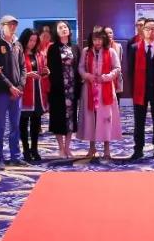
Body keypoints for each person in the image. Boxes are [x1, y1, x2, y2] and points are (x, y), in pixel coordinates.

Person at [0, 15, 29, 169]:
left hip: (17, 92)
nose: (13, 27)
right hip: (1, 91)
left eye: (15, 25)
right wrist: (10, 87)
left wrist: (20, 86)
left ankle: (15, 156)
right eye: (9, 24)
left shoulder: (17, 44)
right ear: (2, 26)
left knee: (15, 125)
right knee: (0, 125)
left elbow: (23, 67)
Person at [77, 29, 122, 161]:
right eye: (95, 39)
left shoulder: (111, 51)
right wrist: (87, 75)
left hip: (105, 88)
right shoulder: (86, 51)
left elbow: (117, 68)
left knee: (106, 118)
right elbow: (80, 67)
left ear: (104, 39)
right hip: (89, 88)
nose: (97, 42)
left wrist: (106, 77)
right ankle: (92, 148)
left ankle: (106, 149)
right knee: (91, 118)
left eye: (100, 39)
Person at [128, 18, 154, 161]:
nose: (150, 31)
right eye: (148, 28)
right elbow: (130, 71)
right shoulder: (134, 48)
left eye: (153, 29)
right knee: (139, 121)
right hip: (140, 90)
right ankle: (138, 149)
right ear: (143, 30)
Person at [47, 21, 80, 159]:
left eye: (65, 27)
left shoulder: (75, 47)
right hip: (58, 88)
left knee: (71, 119)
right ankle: (60, 148)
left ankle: (67, 147)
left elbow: (78, 67)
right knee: (58, 118)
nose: (63, 29)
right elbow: (50, 69)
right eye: (60, 27)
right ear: (56, 32)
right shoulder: (53, 48)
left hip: (72, 88)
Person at [18, 28, 48, 162]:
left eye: (35, 41)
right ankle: (25, 150)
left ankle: (34, 149)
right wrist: (27, 75)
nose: (32, 43)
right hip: (24, 92)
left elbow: (41, 71)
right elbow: (15, 72)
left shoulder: (39, 54)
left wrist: (45, 71)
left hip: (37, 92)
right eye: (30, 40)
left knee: (36, 123)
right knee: (23, 123)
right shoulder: (18, 53)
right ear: (25, 39)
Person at [105, 26, 123, 93]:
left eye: (110, 33)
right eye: (106, 33)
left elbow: (120, 61)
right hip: (105, 76)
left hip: (116, 76)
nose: (109, 34)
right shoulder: (101, 47)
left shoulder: (118, 46)